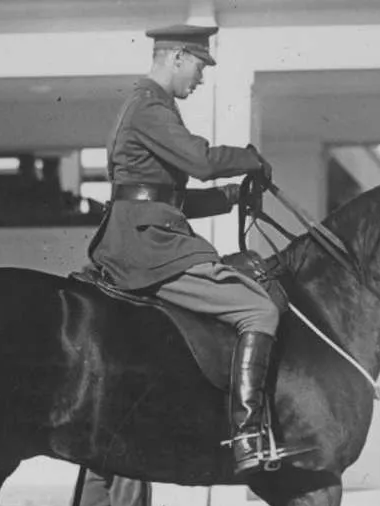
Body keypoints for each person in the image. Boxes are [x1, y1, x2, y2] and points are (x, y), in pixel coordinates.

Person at [88, 23, 303, 475]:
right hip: (149, 247)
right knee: (259, 311)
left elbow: (162, 195)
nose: (201, 78)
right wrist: (251, 158)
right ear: (177, 57)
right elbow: (202, 161)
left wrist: (229, 198)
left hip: (142, 234)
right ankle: (246, 434)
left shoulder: (146, 107)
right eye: (199, 67)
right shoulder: (150, 107)